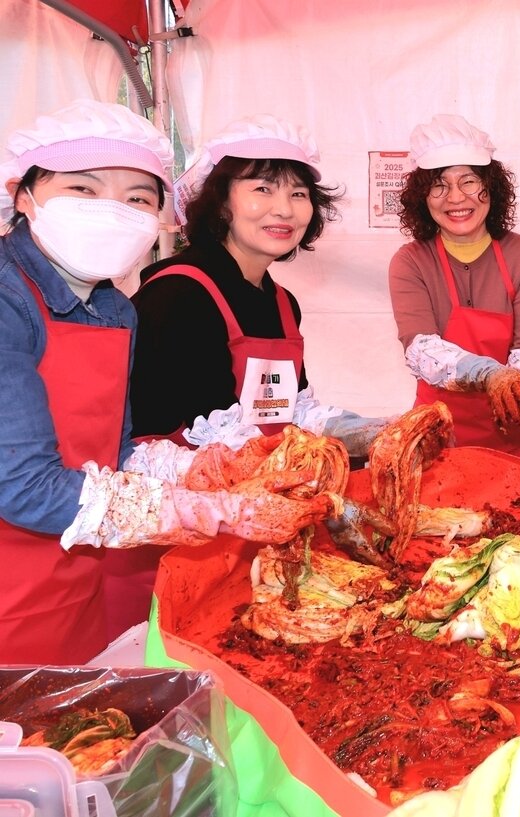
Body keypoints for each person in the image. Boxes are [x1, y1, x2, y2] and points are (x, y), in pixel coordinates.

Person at [0, 100, 326, 664]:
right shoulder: (10, 301)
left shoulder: (113, 309)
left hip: (74, 576)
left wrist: (208, 471)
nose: (112, 211)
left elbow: (119, 450)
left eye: (137, 198)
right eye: (83, 188)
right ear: (23, 194)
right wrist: (206, 510)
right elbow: (23, 485)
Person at [130, 115, 383, 454]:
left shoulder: (282, 302)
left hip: (261, 476)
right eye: (263, 189)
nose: (284, 210)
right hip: (182, 482)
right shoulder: (178, 295)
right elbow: (205, 432)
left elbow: (292, 411)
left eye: (298, 193)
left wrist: (374, 433)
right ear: (221, 202)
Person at [389, 115, 520, 461]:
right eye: (439, 185)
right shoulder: (411, 261)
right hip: (441, 441)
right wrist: (491, 376)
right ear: (422, 197)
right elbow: (423, 349)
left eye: (468, 181)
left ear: (491, 187)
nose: (456, 197)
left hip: (517, 442)